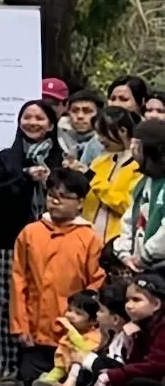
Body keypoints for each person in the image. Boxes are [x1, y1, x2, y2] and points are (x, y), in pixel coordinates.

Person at [9, 168, 103, 386]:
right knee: (31, 381)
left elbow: (95, 285)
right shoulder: (30, 233)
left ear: (80, 203)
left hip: (74, 337)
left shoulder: (89, 238)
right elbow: (18, 281)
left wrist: (83, 324)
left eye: (64, 196)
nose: (56, 200)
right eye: (52, 194)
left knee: (76, 377)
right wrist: (21, 326)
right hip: (37, 335)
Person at [0, 97, 63, 381]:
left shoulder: (61, 157)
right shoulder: (6, 158)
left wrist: (50, 180)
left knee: (49, 299)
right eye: (27, 117)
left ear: (51, 125)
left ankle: (51, 364)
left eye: (40, 118)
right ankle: (7, 365)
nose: (32, 123)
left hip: (55, 240)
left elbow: (74, 195)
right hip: (12, 239)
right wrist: (25, 177)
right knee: (9, 301)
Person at [72, 269, 165, 386]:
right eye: (128, 300)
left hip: (160, 380)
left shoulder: (162, 327)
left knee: (135, 384)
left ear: (156, 304)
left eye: (136, 300)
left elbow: (156, 366)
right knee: (105, 364)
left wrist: (115, 375)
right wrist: (136, 337)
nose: (128, 305)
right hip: (153, 377)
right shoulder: (141, 326)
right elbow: (134, 362)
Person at [112, 121, 165, 276]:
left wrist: (146, 256)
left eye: (137, 144)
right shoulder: (144, 182)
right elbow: (129, 220)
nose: (132, 149)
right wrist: (124, 252)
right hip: (141, 266)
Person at [83, 108, 141, 247]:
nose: (100, 139)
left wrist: (94, 180)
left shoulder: (140, 166)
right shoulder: (99, 162)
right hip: (87, 241)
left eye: (103, 133)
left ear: (123, 130)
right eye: (98, 134)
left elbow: (128, 207)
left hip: (118, 244)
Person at [62, 89, 104, 169]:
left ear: (99, 114)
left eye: (87, 111)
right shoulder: (59, 141)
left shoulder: (106, 144)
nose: (80, 116)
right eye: (74, 111)